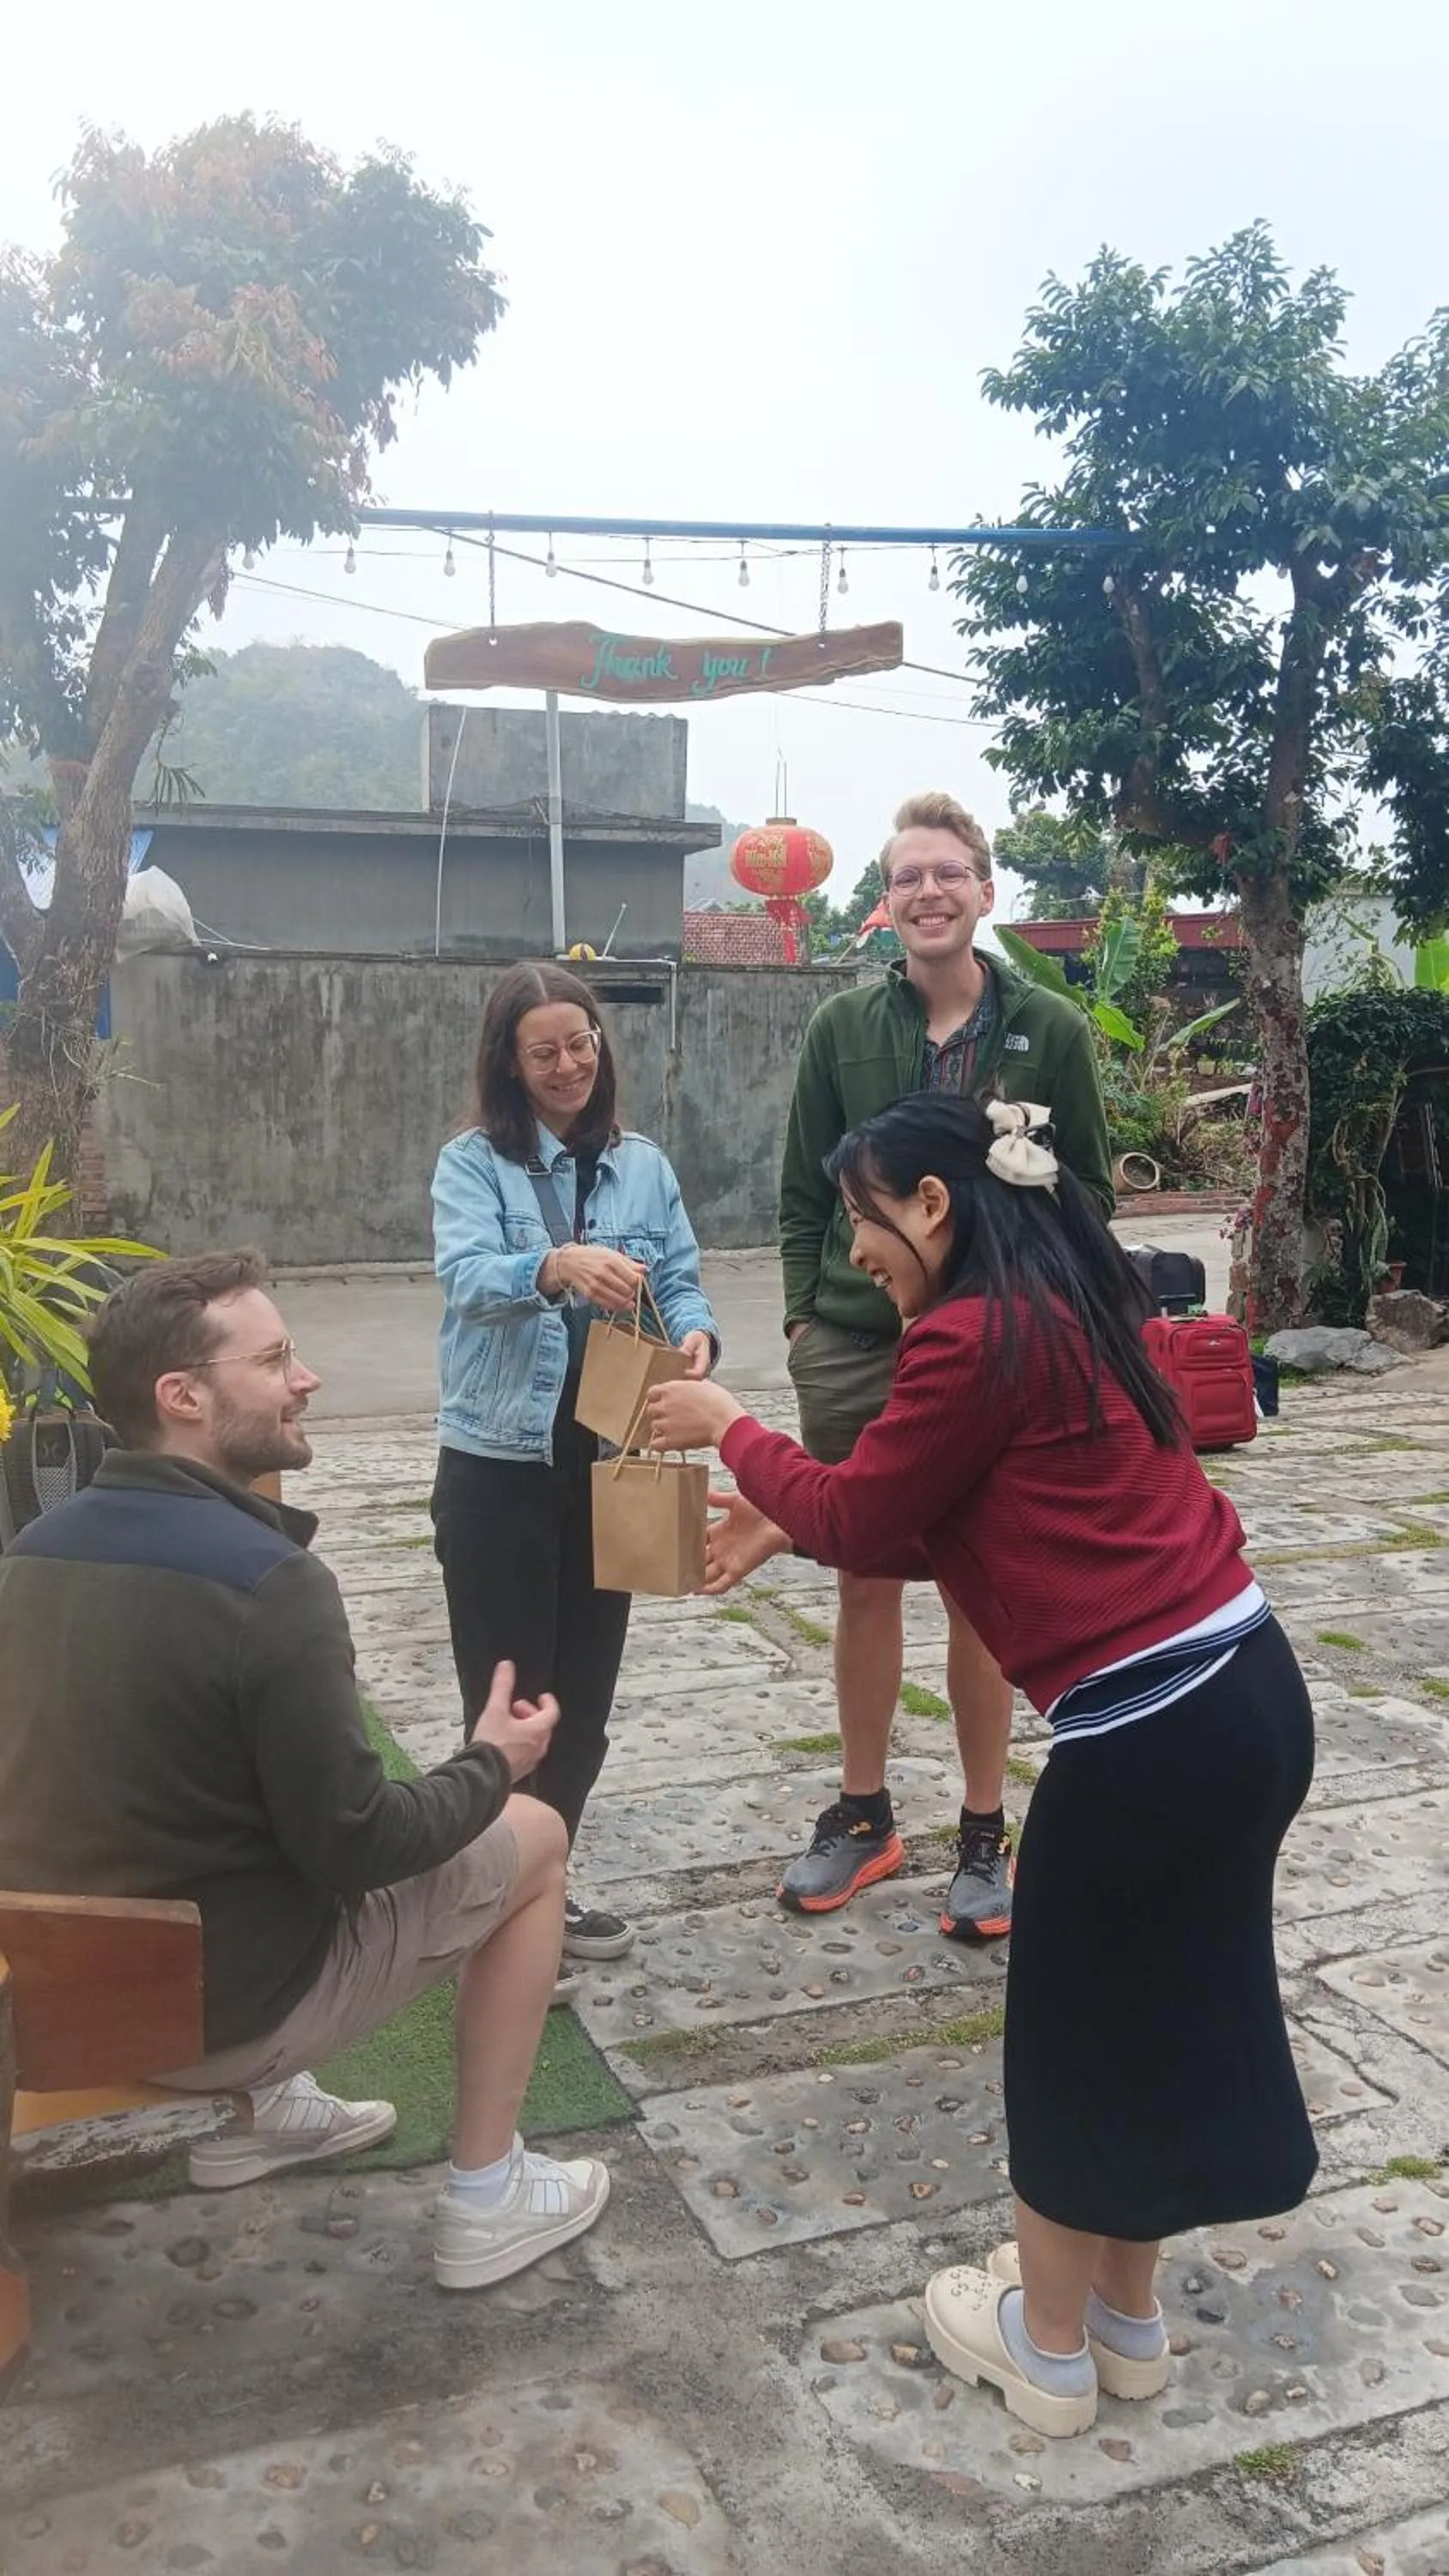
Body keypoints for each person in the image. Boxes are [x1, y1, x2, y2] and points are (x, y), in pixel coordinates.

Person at [647, 1094, 1316, 2439]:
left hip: (1145, 1738)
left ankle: (1047, 2346)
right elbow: (974, 1515)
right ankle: (1127, 2320)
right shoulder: (1065, 1304)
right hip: (1247, 1694)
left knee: (1073, 2038)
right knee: (1162, 2017)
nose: (858, 1252)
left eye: (865, 1219)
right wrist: (793, 1528)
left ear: (934, 1204)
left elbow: (873, 1503)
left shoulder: (969, 1334)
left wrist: (732, 1428)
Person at [0, 1251, 610, 2293]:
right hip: (221, 2019)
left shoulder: (30, 1552)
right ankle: (485, 2196)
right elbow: (359, 1846)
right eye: (276, 1357)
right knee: (538, 1839)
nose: (306, 1377)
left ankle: (273, 2118)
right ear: (182, 1397)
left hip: (48, 2012)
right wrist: (489, 1762)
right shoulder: (272, 1586)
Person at [775, 790, 1114, 1941]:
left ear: (985, 889)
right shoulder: (841, 1032)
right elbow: (795, 1198)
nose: (928, 892)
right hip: (860, 1344)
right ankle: (864, 1814)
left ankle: (985, 1835)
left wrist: (1025, 1298)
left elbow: (1093, 1197)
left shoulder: (1051, 1031)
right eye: (908, 875)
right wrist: (802, 1323)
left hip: (996, 1349)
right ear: (887, 899)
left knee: (981, 1587)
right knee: (861, 1571)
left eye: (948, 873)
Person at [431, 962, 719, 1966]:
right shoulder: (471, 1166)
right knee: (515, 1701)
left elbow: (680, 1278)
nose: (568, 1066)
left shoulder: (641, 1163)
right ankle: (497, 1910)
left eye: (582, 1043)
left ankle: (543, 1888)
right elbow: (467, 1279)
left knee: (586, 1705)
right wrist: (549, 1267)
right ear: (508, 1065)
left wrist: (697, 1341)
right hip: (496, 1466)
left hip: (611, 1459)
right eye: (543, 1051)